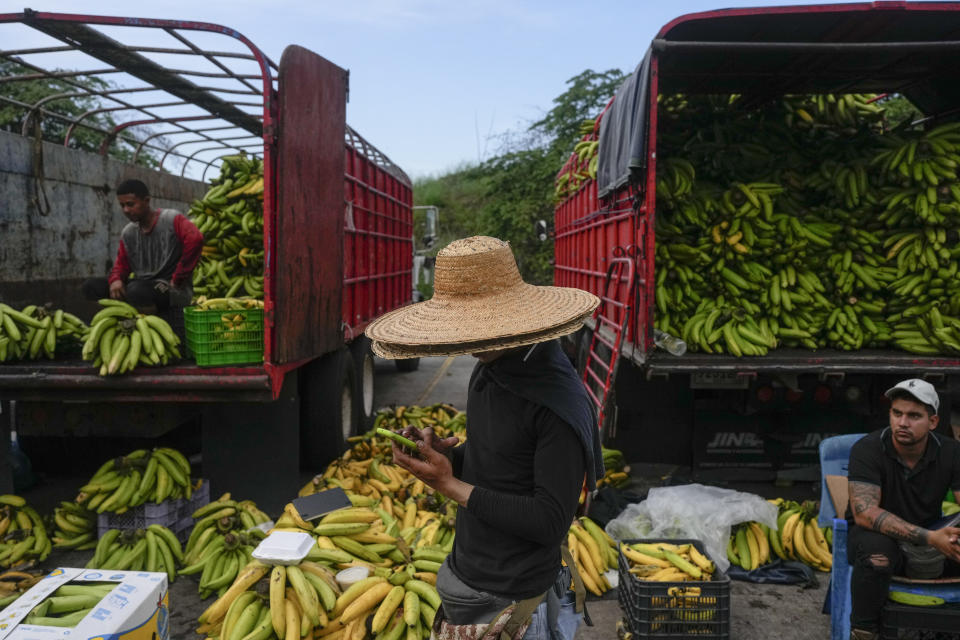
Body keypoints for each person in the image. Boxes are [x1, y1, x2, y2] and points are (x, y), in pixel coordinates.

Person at [365, 236, 603, 640]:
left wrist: (449, 484)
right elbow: (501, 461)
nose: (470, 345)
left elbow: (549, 519)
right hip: (469, 573)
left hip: (516, 596)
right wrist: (445, 457)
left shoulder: (557, 406)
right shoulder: (493, 370)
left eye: (476, 332)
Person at [846, 378, 960, 640]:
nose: (903, 422)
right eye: (897, 413)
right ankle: (864, 631)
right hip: (873, 536)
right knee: (878, 558)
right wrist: (930, 537)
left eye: (914, 416)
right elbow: (865, 513)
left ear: (933, 422)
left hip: (931, 536)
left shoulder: (951, 452)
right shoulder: (867, 449)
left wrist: (938, 537)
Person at [82, 179, 203, 313]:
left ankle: (146, 324)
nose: (126, 210)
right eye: (122, 206)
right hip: (140, 285)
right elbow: (121, 265)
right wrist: (116, 280)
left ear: (146, 200)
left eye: (130, 204)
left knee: (137, 291)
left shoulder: (170, 219)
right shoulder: (129, 232)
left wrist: (178, 278)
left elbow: (195, 239)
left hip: (170, 288)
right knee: (91, 286)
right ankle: (113, 320)